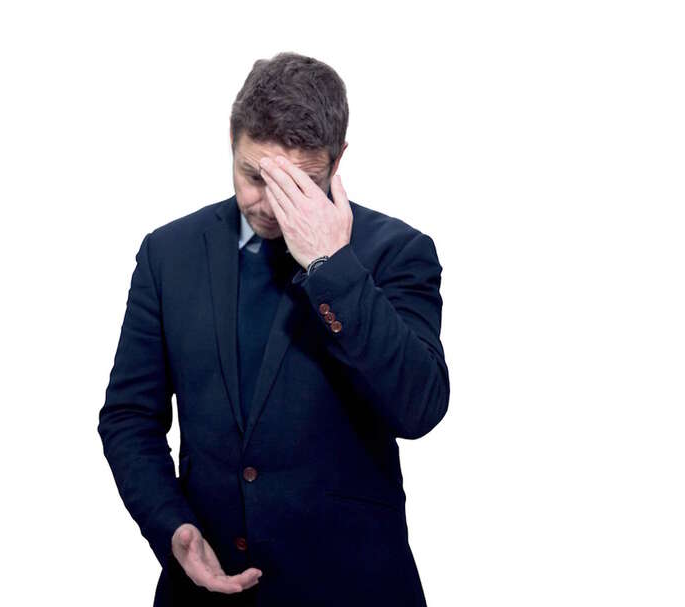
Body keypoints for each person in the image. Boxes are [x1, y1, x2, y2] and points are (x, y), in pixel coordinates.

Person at [97, 51, 450, 607]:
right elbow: (128, 417)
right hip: (207, 591)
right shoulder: (168, 253)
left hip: (353, 589)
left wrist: (331, 267)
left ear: (338, 160)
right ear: (231, 140)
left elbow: (419, 408)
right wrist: (172, 524)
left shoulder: (398, 252)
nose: (267, 204)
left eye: (298, 184)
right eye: (254, 176)